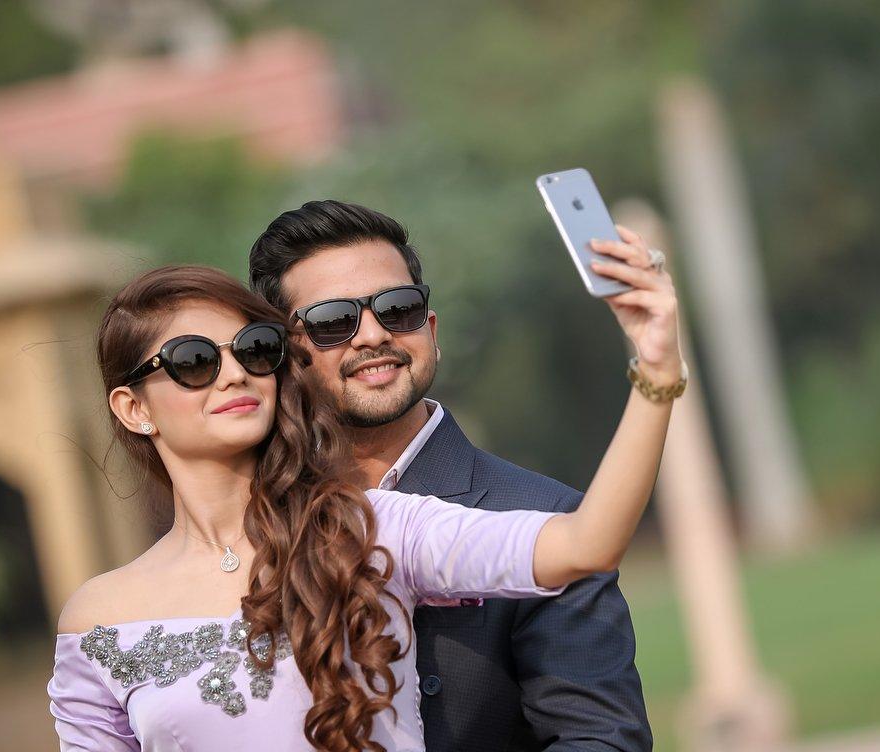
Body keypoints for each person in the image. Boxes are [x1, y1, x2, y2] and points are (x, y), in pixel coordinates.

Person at [49, 220, 681, 750]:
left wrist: (656, 368)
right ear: (134, 408)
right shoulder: (96, 619)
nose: (234, 373)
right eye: (194, 362)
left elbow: (588, 542)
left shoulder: (365, 527)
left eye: (252, 348)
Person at [249, 200, 677, 750]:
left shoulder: (539, 516)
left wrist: (659, 369)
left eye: (397, 309)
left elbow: (599, 738)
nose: (373, 335)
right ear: (284, 355)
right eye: (334, 322)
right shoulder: (253, 520)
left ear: (430, 328)